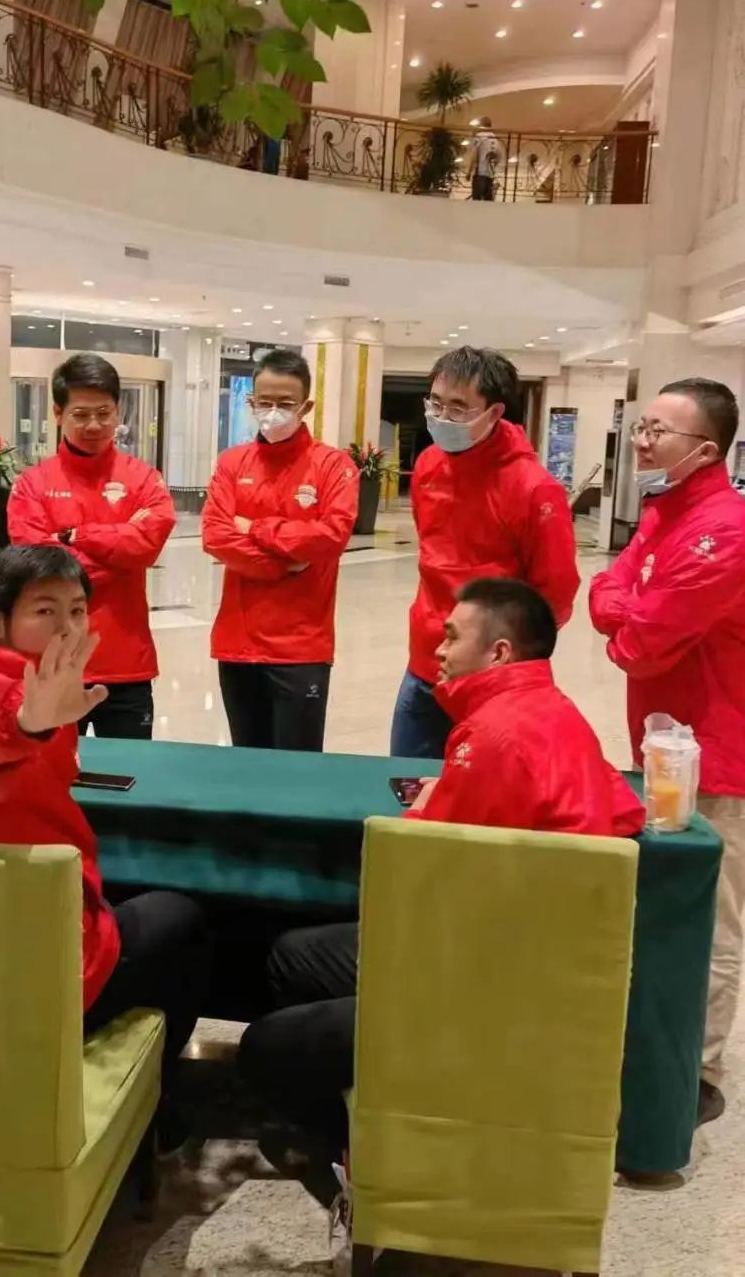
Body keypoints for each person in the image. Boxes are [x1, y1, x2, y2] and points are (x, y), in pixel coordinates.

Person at [239, 578, 645, 1158]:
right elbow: (622, 808)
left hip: (480, 969)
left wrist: (429, 805)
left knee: (266, 1040)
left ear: (499, 652)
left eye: (452, 637)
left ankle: (366, 1150)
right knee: (292, 952)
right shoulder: (554, 710)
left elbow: (416, 865)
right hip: (535, 952)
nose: (440, 649)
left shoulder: (493, 734)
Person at [0, 544, 210, 1147]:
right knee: (183, 920)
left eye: (76, 610)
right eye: (44, 611)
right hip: (22, 957)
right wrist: (29, 722)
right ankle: (153, 1108)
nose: (66, 628)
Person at [590, 377, 745, 1127]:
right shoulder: (662, 511)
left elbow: (640, 644)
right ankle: (656, 1044)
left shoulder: (724, 532)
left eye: (659, 431)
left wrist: (626, 616)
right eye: (641, 427)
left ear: (706, 450)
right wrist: (624, 609)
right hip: (661, 743)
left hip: (718, 754)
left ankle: (698, 1071)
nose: (642, 442)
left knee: (712, 916)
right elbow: (606, 593)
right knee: (666, 903)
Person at [391, 345, 578, 760]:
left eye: (458, 407)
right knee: (407, 783)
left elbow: (556, 591)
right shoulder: (428, 464)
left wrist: (509, 662)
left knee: (485, 789)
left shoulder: (533, 487)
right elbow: (432, 553)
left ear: (494, 413)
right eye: (435, 403)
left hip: (492, 675)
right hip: (426, 662)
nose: (442, 416)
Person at [7, 354, 175, 741]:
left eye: (104, 413)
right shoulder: (32, 485)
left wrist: (76, 537)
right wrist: (120, 549)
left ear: (119, 411)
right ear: (58, 413)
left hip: (126, 661)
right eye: (81, 414)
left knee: (132, 771)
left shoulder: (144, 479)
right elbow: (42, 571)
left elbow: (146, 546)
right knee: (53, 772)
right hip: (53, 665)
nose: (94, 425)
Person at [201, 349, 358, 752]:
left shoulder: (333, 466)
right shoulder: (232, 463)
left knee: (298, 769)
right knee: (249, 761)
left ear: (306, 406)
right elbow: (215, 536)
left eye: (285, 403)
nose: (273, 412)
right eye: (264, 401)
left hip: (302, 647)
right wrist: (282, 565)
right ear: (251, 401)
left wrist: (253, 527)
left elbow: (331, 537)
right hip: (238, 642)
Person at [468, 116, 499, 202]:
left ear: (481, 125)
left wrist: (469, 171)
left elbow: (474, 155)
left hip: (479, 173)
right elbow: (497, 157)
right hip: (490, 174)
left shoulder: (479, 137)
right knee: (487, 202)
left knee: (476, 201)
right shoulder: (495, 139)